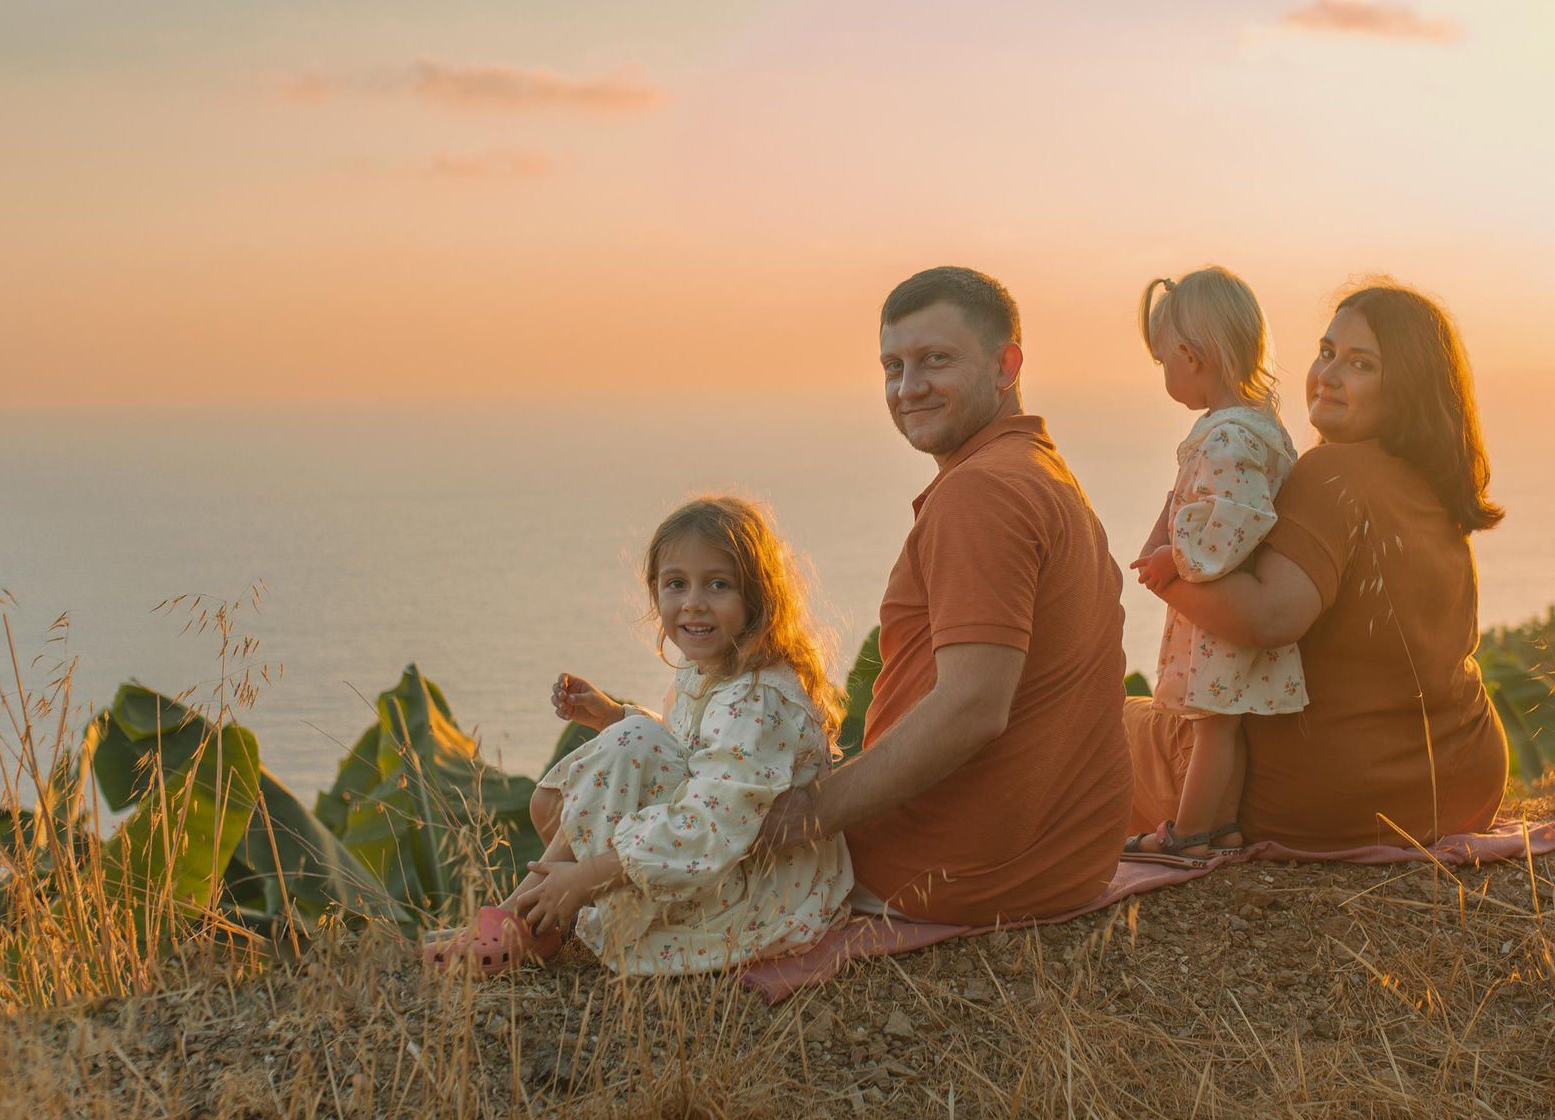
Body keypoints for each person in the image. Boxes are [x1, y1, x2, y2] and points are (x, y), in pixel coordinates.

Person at [753, 267, 1132, 923]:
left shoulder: (979, 492)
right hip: (1064, 867)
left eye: (935, 360)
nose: (908, 387)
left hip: (947, 876)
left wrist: (808, 815)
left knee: (608, 799)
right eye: (892, 366)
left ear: (1005, 365)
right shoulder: (1040, 469)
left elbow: (973, 706)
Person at [1128, 279, 1508, 850]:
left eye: (1359, 364)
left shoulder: (1331, 475)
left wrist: (1168, 574)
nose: (1327, 376)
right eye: (1327, 353)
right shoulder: (1434, 485)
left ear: (1406, 388)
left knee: (1113, 726)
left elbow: (1267, 619)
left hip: (1336, 799)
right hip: (1463, 784)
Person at [429, 496, 851, 975]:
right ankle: (521, 921)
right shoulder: (712, 670)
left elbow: (709, 825)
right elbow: (690, 749)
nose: (693, 602)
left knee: (633, 743)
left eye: (718, 584)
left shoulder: (758, 699)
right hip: (727, 861)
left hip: (769, 896)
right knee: (632, 736)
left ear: (758, 597)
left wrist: (588, 878)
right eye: (676, 584)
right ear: (655, 594)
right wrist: (612, 716)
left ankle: (518, 923)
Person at [1124, 268, 1308, 863]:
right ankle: (1223, 827)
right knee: (1227, 724)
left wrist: (1175, 560)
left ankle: (1189, 832)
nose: (1165, 376)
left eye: (1163, 362)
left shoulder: (1229, 437)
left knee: (1211, 727)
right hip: (1232, 606)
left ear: (1192, 356)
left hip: (1222, 612)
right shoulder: (1258, 425)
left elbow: (1238, 520)